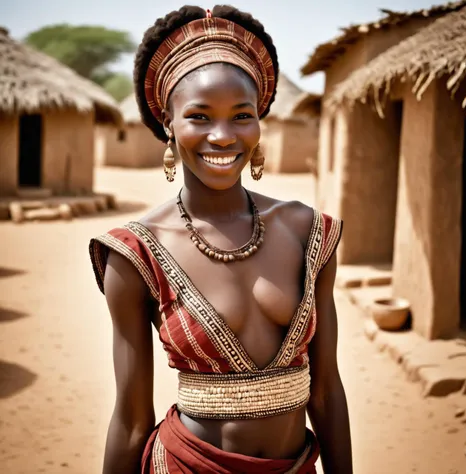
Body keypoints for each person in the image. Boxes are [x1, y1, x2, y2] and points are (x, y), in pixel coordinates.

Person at [89, 5, 352, 474]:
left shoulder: (310, 230)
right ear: (168, 123)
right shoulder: (134, 253)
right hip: (189, 465)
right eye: (200, 116)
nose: (223, 136)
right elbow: (131, 421)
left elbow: (327, 388)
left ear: (259, 122)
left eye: (241, 116)